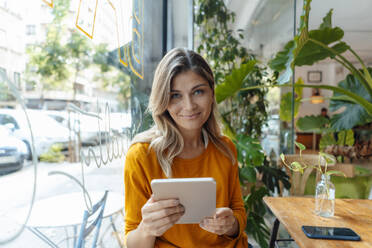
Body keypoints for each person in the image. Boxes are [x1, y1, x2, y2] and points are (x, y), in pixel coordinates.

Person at [124, 48, 248, 247]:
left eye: (198, 91)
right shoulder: (141, 155)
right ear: (163, 101)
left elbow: (238, 212)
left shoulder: (225, 148)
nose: (189, 106)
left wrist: (231, 223)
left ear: (211, 93)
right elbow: (133, 241)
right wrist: (147, 229)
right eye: (175, 95)